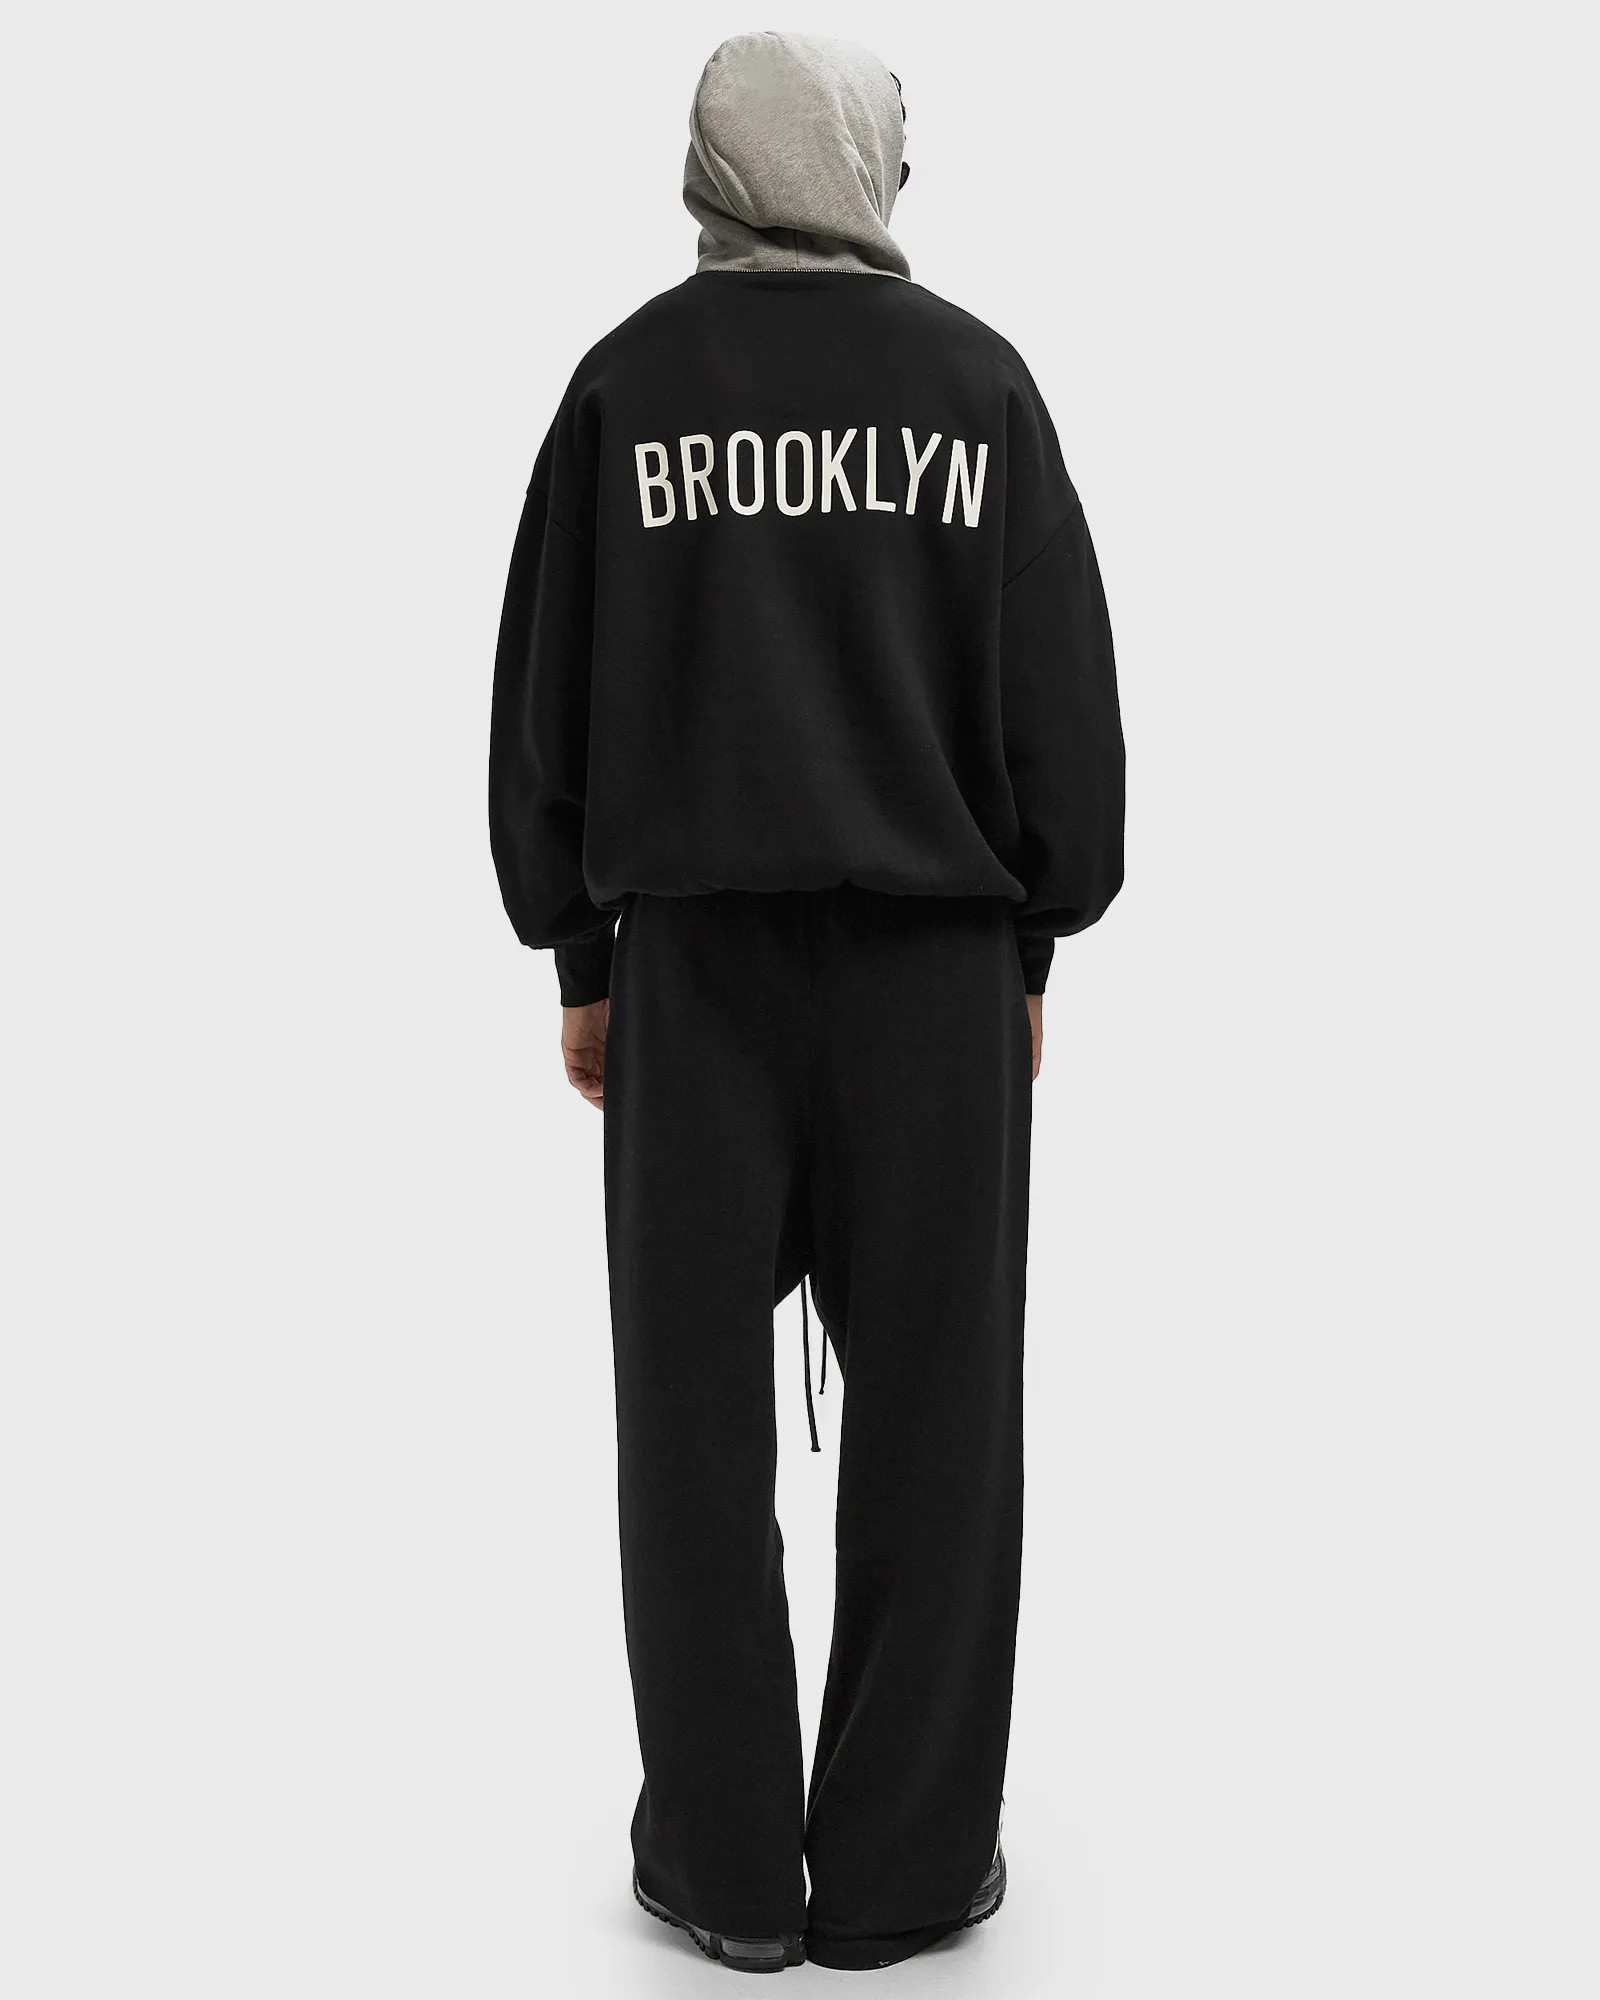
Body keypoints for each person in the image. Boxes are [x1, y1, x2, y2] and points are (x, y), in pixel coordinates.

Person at [489, 31, 1124, 1973]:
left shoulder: (625, 390)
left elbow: (546, 701)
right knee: (941, 1424)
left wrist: (581, 959)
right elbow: (1062, 714)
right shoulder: (978, 391)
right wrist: (1030, 941)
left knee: (687, 1434)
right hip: (934, 978)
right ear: (870, 166)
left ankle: (724, 1870)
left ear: (710, 167)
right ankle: (908, 1868)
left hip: (693, 969)